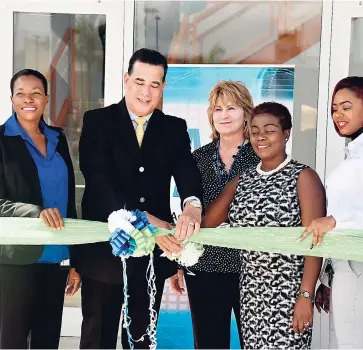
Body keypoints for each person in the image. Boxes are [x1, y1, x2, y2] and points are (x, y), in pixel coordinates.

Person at [77, 48, 203, 349]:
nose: (146, 92)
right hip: (104, 252)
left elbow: (186, 171)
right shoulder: (97, 121)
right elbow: (98, 180)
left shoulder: (174, 127)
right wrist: (146, 222)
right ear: (126, 80)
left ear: (163, 87)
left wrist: (192, 206)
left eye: (155, 84)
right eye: (139, 81)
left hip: (151, 260)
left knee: (143, 340)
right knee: (98, 338)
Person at [201, 102, 326, 349]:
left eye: (269, 129)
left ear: (286, 133)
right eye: (255, 130)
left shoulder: (303, 177)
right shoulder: (241, 182)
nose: (260, 136)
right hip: (251, 292)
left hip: (288, 293)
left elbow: (315, 242)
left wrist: (305, 296)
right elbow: (205, 224)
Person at [169, 81, 259, 349]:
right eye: (217, 109)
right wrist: (178, 262)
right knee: (208, 343)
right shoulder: (197, 158)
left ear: (246, 112)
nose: (224, 115)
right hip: (204, 267)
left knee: (255, 342)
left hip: (251, 268)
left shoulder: (261, 156)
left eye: (232, 107)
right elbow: (186, 210)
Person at [301, 76, 363, 349]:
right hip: (351, 266)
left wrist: (335, 222)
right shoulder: (361, 152)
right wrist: (329, 275)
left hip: (361, 266)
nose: (338, 114)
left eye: (346, 106)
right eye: (335, 108)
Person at [0, 69, 80, 349]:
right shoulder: (2, 142)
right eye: (21, 93)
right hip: (14, 261)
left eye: (36, 92)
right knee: (12, 341)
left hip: (55, 259)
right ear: (12, 99)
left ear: (46, 99)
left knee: (47, 341)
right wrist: (35, 212)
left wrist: (75, 261)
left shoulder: (57, 140)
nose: (28, 99)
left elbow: (68, 202)